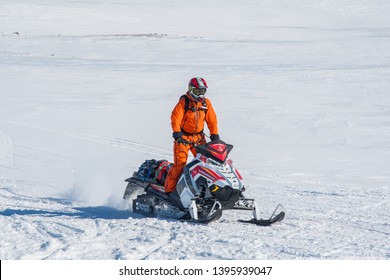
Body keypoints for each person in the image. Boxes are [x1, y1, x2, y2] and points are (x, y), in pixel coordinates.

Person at [164, 77, 220, 193]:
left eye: (202, 91)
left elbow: (212, 120)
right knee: (180, 166)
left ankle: (205, 189)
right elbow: (176, 117)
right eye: (197, 92)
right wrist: (177, 133)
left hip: (199, 138)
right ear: (191, 90)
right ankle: (169, 192)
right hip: (183, 138)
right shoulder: (184, 101)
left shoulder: (206, 103)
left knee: (206, 163)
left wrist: (214, 134)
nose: (200, 95)